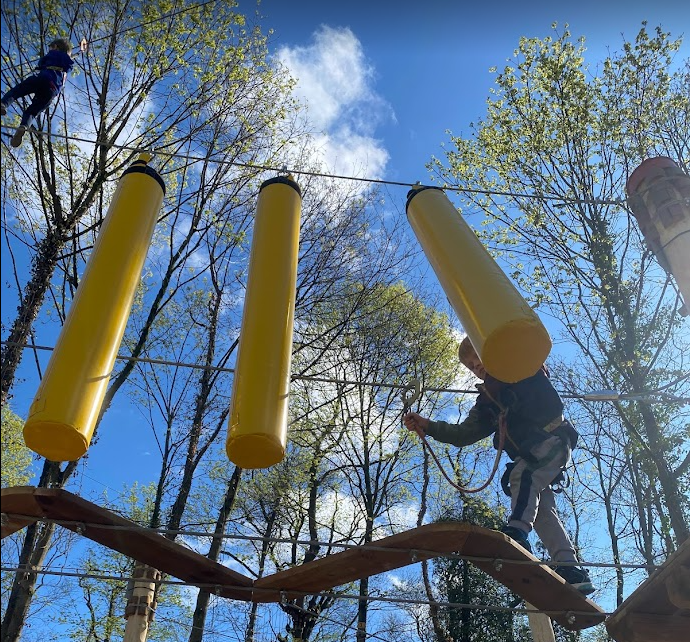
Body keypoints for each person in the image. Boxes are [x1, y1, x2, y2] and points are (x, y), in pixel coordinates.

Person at [403, 336, 595, 595]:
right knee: (541, 511)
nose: (476, 367)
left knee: (523, 476)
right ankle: (571, 569)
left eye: (478, 359)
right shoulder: (487, 402)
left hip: (552, 440)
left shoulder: (519, 368)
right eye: (471, 366)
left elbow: (527, 350)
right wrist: (427, 425)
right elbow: (463, 434)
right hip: (532, 454)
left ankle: (516, 533)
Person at [1, 38, 74, 147]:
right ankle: (24, 126)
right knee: (33, 111)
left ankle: (3, 103)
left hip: (43, 77)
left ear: (55, 47)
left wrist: (42, 65)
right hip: (52, 90)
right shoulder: (67, 65)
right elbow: (69, 67)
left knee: (17, 91)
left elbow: (41, 62)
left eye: (50, 48)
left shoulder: (53, 54)